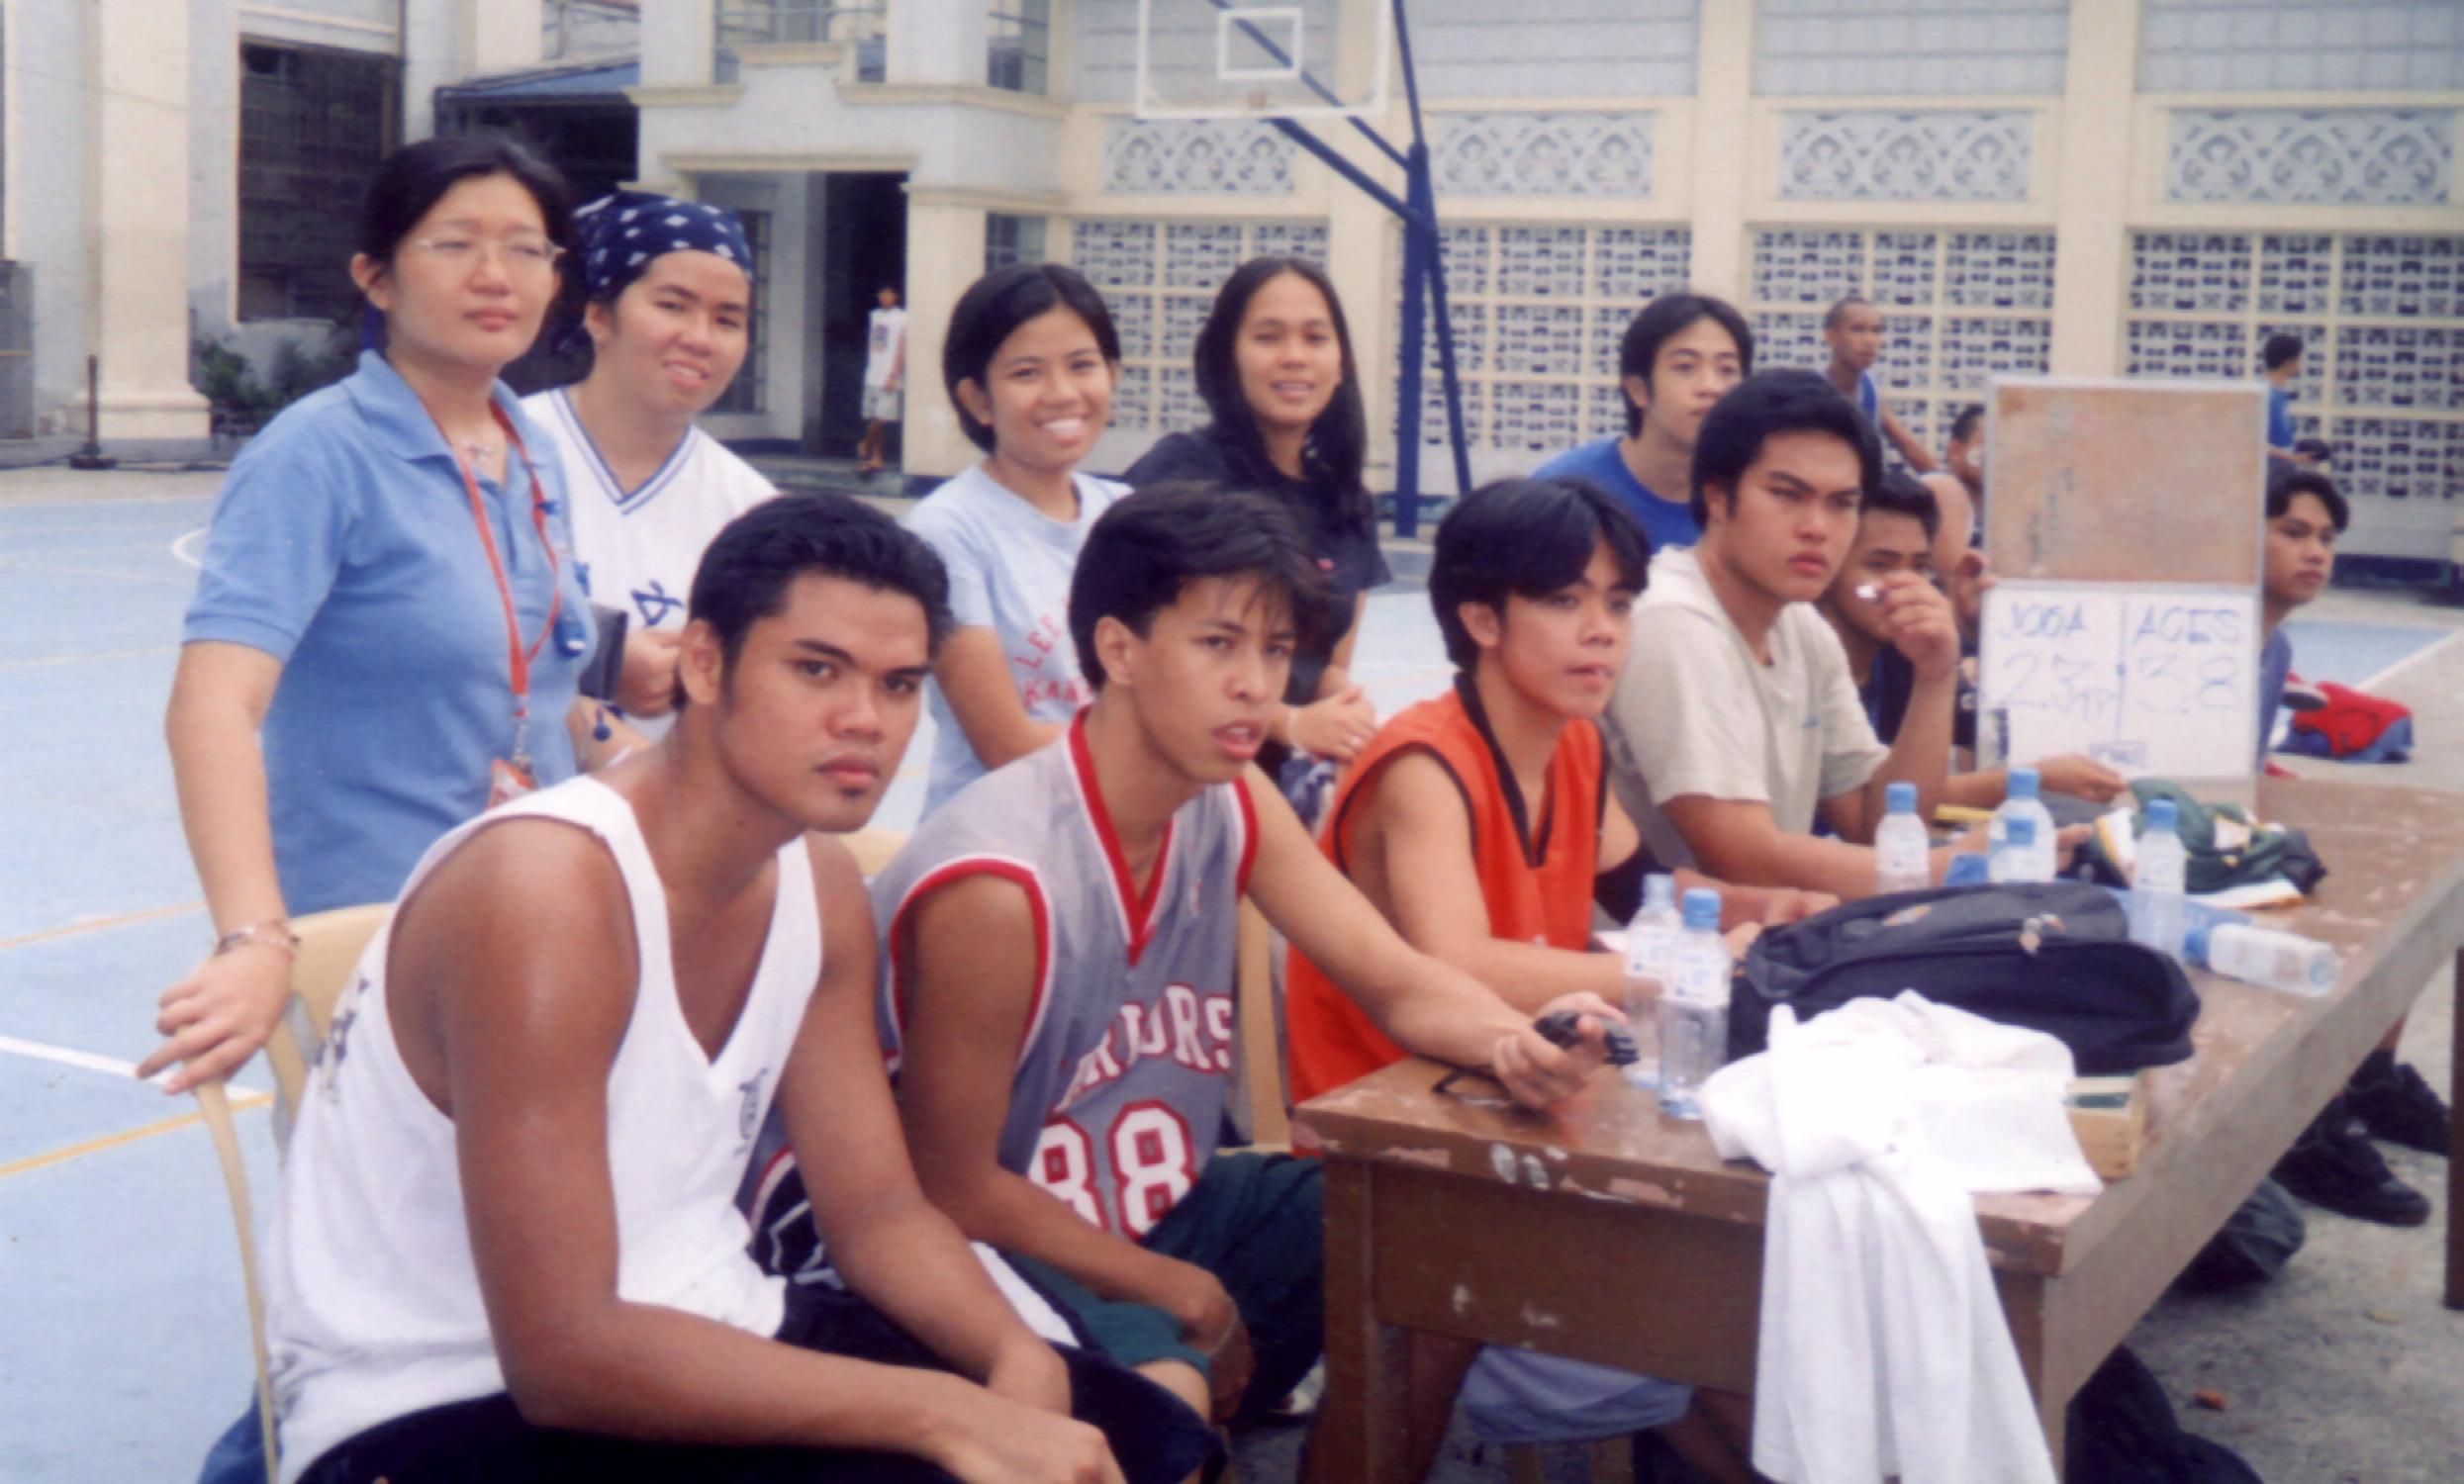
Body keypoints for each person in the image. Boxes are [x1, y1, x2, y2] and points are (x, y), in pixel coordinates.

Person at [261, 496, 1213, 1484]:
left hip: (716, 1321)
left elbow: (878, 1212)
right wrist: (947, 1415)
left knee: (1145, 1442)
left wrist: (1012, 1356)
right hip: (447, 1403)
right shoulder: (544, 894)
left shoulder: (819, 887)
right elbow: (561, 1358)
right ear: (706, 664)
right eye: (817, 669)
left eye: (898, 685)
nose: (865, 720)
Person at [869, 485, 1621, 1480]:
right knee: (1164, 1403)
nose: (1256, 686)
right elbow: (953, 1185)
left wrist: (1513, 1041)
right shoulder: (1003, 885)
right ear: (1119, 649)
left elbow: (1396, 978)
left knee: (1439, 1238)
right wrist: (1179, 1289)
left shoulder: (1230, 797)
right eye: (1218, 644)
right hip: (997, 1244)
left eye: (1274, 651)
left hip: (1156, 1199)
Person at [1284, 477, 1827, 1480]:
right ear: (1482, 619)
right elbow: (1460, 961)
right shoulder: (1422, 765)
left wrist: (1773, 908)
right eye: (1566, 600)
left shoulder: (1571, 740)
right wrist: (1679, 967)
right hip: (1382, 1133)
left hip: (1520, 1098)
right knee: (1679, 1289)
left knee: (1739, 1269)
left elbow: (1645, 887)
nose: (1603, 631)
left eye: (1618, 602)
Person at [142, 134, 596, 1097]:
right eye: (456, 244)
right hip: (374, 942)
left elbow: (537, 685)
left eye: (527, 249)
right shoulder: (318, 455)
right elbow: (212, 706)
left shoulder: (533, 448)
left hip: (539, 921)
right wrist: (255, 938)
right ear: (376, 278)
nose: (496, 275)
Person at [1601, 370, 1981, 899]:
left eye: (1842, 503)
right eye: (1788, 495)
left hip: (1770, 934)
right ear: (1718, 496)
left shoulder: (1801, 626)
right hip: (1655, 944)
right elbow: (1743, 857)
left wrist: (1935, 677)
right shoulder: (1672, 621)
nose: (1817, 528)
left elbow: (1877, 823)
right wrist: (1944, 869)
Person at [2251, 469, 2449, 1223]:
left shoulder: (2275, 647)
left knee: (2409, 866)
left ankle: (2372, 1073)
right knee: (2334, 906)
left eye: (2327, 539)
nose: (2316, 553)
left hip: (2235, 824)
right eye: (2293, 533)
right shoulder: (2206, 642)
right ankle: (2310, 1125)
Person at [522, 190, 777, 744]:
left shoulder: (753, 510)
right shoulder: (507, 448)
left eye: (727, 319)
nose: (700, 338)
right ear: (598, 315)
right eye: (673, 306)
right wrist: (600, 662)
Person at [1125, 256, 1382, 777]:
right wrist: (1289, 723)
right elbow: (1150, 661)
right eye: (1268, 337)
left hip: (1286, 775)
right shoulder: (1180, 477)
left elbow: (1326, 663)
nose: (1295, 357)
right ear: (1226, 357)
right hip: (1188, 772)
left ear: (1342, 363)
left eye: (1315, 338)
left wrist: (1349, 716)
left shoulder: (1347, 502)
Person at [906, 263, 1127, 817]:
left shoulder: (1126, 514)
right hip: (996, 835)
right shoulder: (948, 530)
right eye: (1027, 373)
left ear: (1112, 374)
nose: (1063, 393)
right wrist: (1163, 747)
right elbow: (1004, 742)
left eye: (1082, 365)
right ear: (978, 400)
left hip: (1120, 824)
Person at [1816, 473, 2123, 806]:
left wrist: (1975, 634)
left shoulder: (1905, 655)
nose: (1905, 585)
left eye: (1919, 568)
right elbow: (1884, 800)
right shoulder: (1801, 662)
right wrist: (2033, 781)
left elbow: (1960, 749)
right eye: (1879, 565)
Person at [1533, 292, 1753, 552]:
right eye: (1685, 367)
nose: (1711, 387)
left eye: (1727, 370)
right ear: (1638, 389)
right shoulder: (1563, 493)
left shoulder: (1751, 496)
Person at [1819, 295, 1935, 474]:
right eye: (1858, 329)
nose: (1869, 340)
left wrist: (1946, 484)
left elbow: (1913, 452)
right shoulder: (1813, 392)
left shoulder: (1870, 393)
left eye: (1876, 331)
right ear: (1831, 337)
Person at [858, 284, 907, 475]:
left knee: (881, 418)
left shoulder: (903, 318)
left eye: (889, 294)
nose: (885, 297)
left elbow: (902, 347)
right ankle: (875, 458)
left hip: (889, 376)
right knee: (873, 418)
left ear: (895, 296)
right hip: (872, 374)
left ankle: (865, 443)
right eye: (882, 294)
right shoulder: (875, 316)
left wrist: (894, 374)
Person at [2260, 332, 2312, 468]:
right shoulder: (2264, 396)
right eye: (2298, 361)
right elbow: (2254, 442)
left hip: (2283, 469)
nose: (2298, 366)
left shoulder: (2279, 394)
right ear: (2289, 363)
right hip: (2271, 473)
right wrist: (2292, 457)